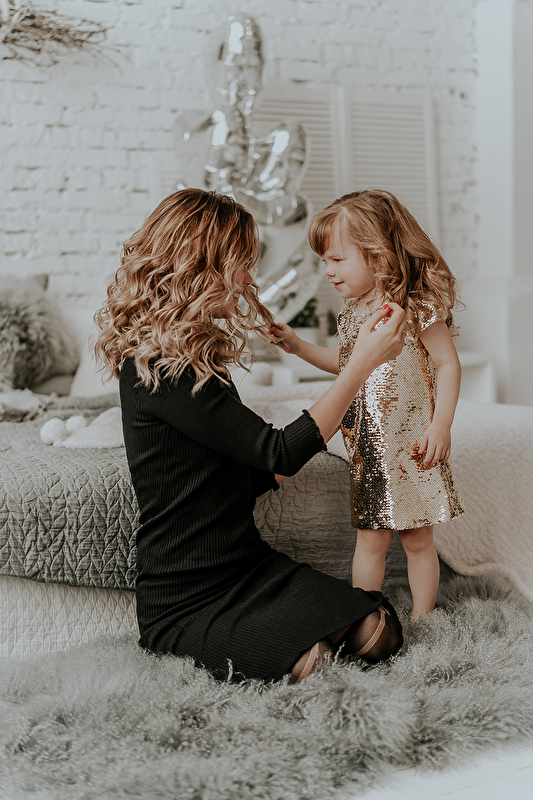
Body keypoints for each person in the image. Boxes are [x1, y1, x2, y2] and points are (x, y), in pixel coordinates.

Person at [94, 188, 405, 683]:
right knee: (312, 661)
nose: (248, 280)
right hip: (185, 597)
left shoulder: (197, 358)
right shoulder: (157, 366)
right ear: (203, 266)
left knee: (379, 630)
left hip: (247, 568)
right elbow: (276, 451)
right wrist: (360, 366)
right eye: (241, 265)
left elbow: (249, 473)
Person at [269, 189, 465, 619]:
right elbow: (346, 366)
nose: (328, 271)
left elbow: (448, 364)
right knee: (370, 539)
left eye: (337, 259)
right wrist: (298, 346)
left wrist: (441, 426)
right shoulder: (353, 313)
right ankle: (364, 616)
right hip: (370, 450)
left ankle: (423, 619)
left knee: (418, 540)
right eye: (324, 261)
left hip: (414, 446)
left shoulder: (414, 306)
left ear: (377, 257)